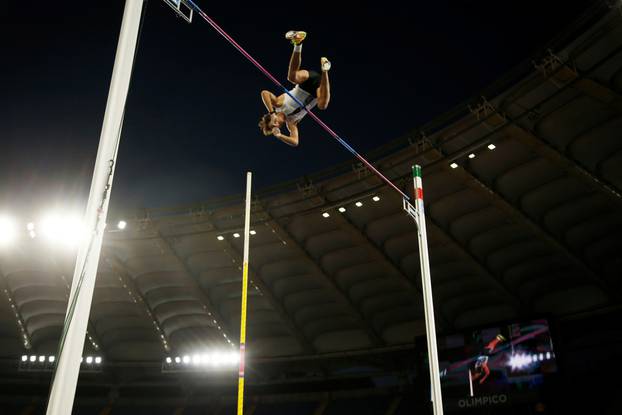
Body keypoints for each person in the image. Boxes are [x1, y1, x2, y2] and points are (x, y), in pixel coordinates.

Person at [258, 30, 331, 146]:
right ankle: (325, 70)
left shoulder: (277, 104)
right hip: (319, 91)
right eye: (276, 127)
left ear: (271, 117)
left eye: (273, 124)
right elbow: (295, 142)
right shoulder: (291, 123)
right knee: (322, 105)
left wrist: (271, 112)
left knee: (292, 77)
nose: (276, 125)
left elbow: (264, 93)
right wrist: (280, 135)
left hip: (306, 81)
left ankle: (298, 43)